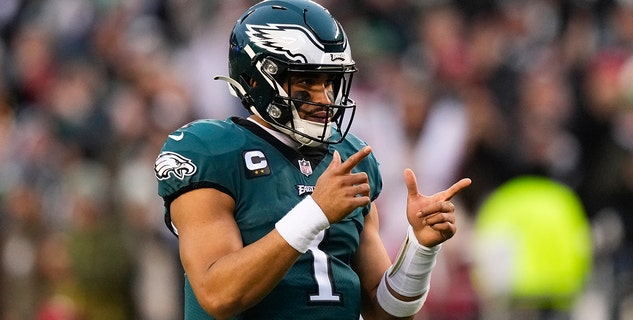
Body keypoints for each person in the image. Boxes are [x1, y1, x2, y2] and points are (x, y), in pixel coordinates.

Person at [154, 0, 471, 319]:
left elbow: (384, 312)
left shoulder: (348, 157)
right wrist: (316, 211)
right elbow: (217, 294)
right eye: (306, 81)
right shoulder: (212, 150)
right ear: (256, 79)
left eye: (330, 81)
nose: (325, 98)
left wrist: (420, 248)